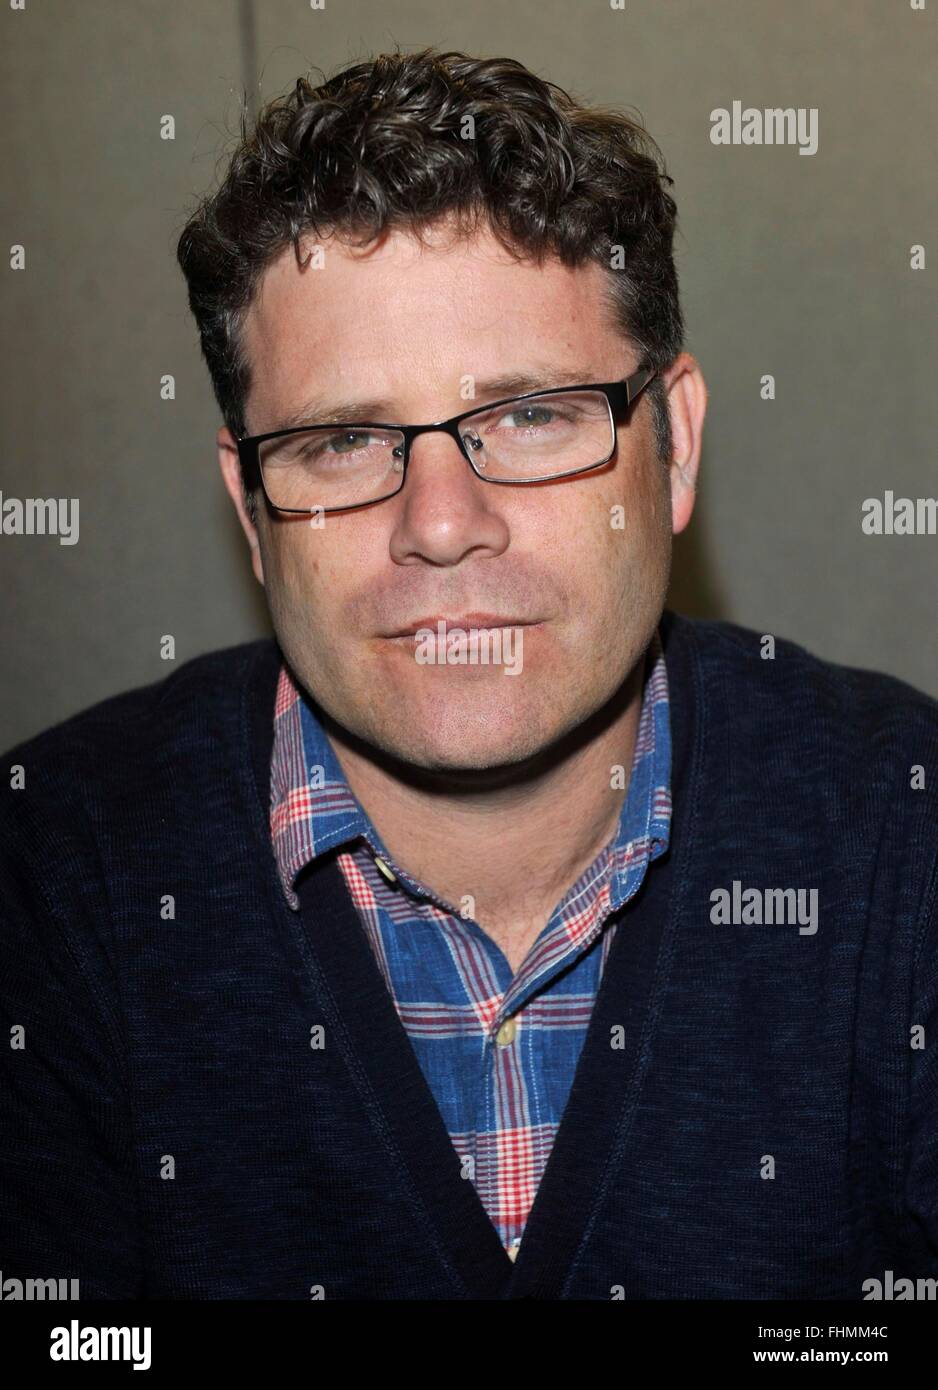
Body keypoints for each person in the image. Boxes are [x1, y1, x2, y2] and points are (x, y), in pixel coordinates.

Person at [1, 47, 936, 1301]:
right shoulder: (49, 882)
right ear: (248, 502)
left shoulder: (905, 841)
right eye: (340, 439)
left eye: (533, 415)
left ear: (672, 448)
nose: (440, 524)